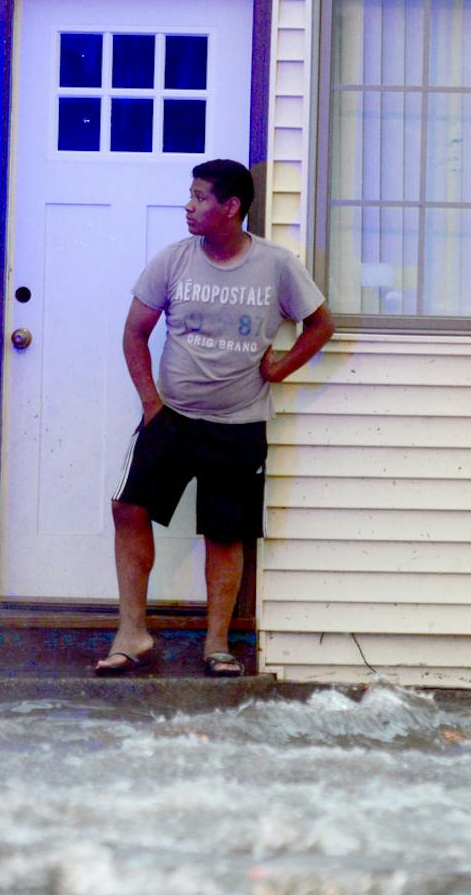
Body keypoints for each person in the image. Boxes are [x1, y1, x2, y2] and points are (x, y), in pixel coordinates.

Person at [96, 159, 334, 678]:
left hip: (239, 423)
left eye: (201, 198)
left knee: (225, 533)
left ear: (231, 208)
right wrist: (150, 403)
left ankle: (217, 644)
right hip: (172, 418)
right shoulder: (173, 260)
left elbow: (320, 324)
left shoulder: (274, 265)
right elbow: (134, 331)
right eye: (191, 195)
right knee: (128, 508)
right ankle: (132, 633)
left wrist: (281, 369)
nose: (189, 205)